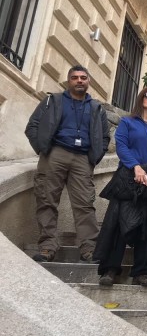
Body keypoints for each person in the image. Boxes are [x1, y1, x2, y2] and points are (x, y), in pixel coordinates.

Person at [25, 65, 110, 263]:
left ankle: (88, 249)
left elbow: (105, 136)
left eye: (83, 78)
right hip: (55, 153)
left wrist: (95, 157)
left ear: (88, 81)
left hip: (82, 159)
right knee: (46, 200)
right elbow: (33, 126)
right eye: (75, 77)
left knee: (85, 205)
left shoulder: (96, 108)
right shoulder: (52, 101)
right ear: (68, 81)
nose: (79, 81)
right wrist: (42, 147)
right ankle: (47, 247)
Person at [95, 86, 147, 287]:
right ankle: (110, 270)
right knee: (118, 225)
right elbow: (121, 146)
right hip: (128, 179)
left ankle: (142, 272)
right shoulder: (128, 122)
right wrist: (135, 167)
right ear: (141, 98)